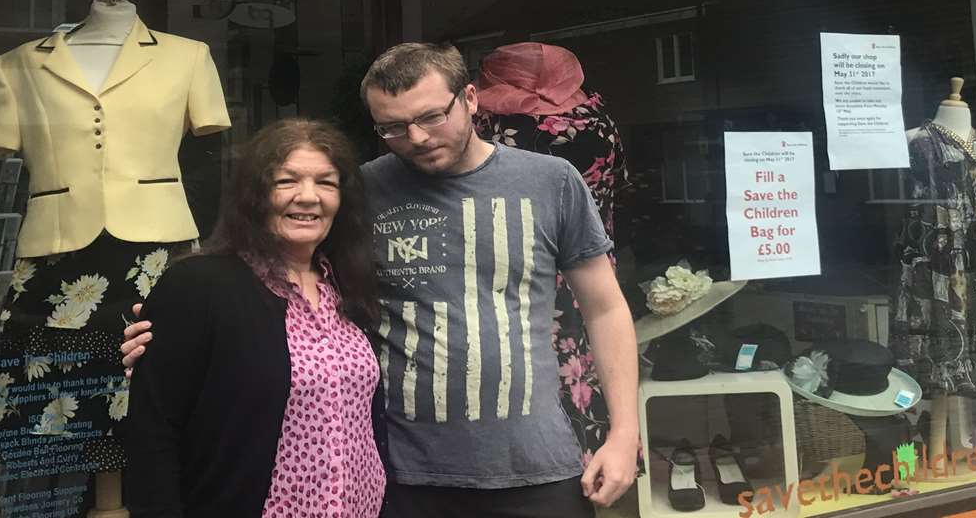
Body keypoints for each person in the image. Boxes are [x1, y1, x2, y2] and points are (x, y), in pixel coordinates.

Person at [124, 43, 640, 518]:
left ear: (470, 98)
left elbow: (604, 308)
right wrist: (171, 337)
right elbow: (278, 273)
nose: (415, 138)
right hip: (404, 477)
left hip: (537, 467)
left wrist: (623, 433)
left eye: (430, 117)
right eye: (392, 127)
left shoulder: (551, 182)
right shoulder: (361, 190)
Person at [121, 118, 385, 518]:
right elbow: (154, 430)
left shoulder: (347, 284)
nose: (308, 197)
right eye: (286, 181)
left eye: (326, 183)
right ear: (254, 194)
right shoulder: (200, 284)